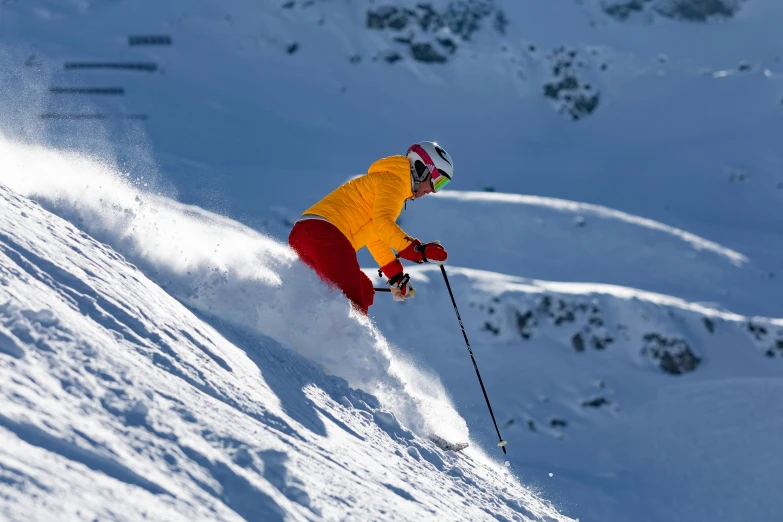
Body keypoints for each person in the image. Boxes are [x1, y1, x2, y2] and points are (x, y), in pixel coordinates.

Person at [288, 141, 454, 315]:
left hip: (306, 234)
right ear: (422, 169)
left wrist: (396, 276)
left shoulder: (387, 181)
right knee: (353, 301)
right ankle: (341, 339)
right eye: (438, 181)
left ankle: (302, 324)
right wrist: (418, 251)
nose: (434, 191)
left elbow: (375, 235)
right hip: (325, 235)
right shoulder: (393, 182)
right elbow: (383, 224)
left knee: (365, 290)